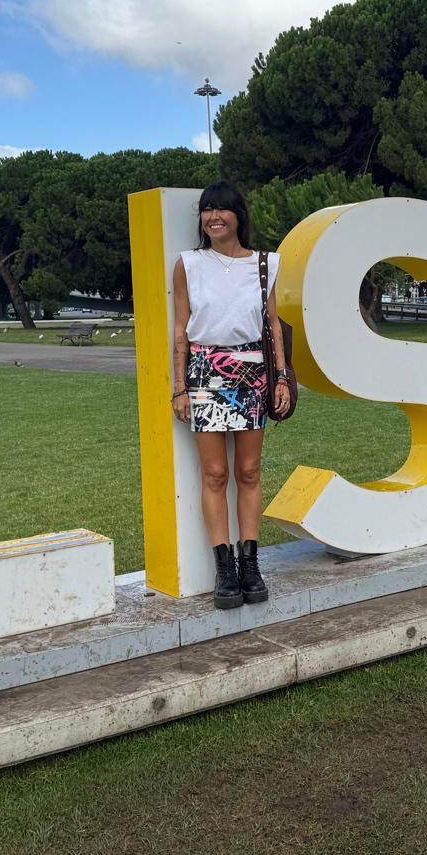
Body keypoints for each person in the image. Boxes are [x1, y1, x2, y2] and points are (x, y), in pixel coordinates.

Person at [171, 182, 292, 610]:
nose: (213, 216)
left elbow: (273, 324)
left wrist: (279, 378)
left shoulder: (264, 264)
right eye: (207, 210)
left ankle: (250, 562)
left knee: (250, 470)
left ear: (239, 215)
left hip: (252, 371)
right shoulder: (188, 264)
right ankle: (224, 569)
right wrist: (180, 386)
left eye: (222, 209)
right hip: (205, 371)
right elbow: (181, 326)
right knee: (215, 474)